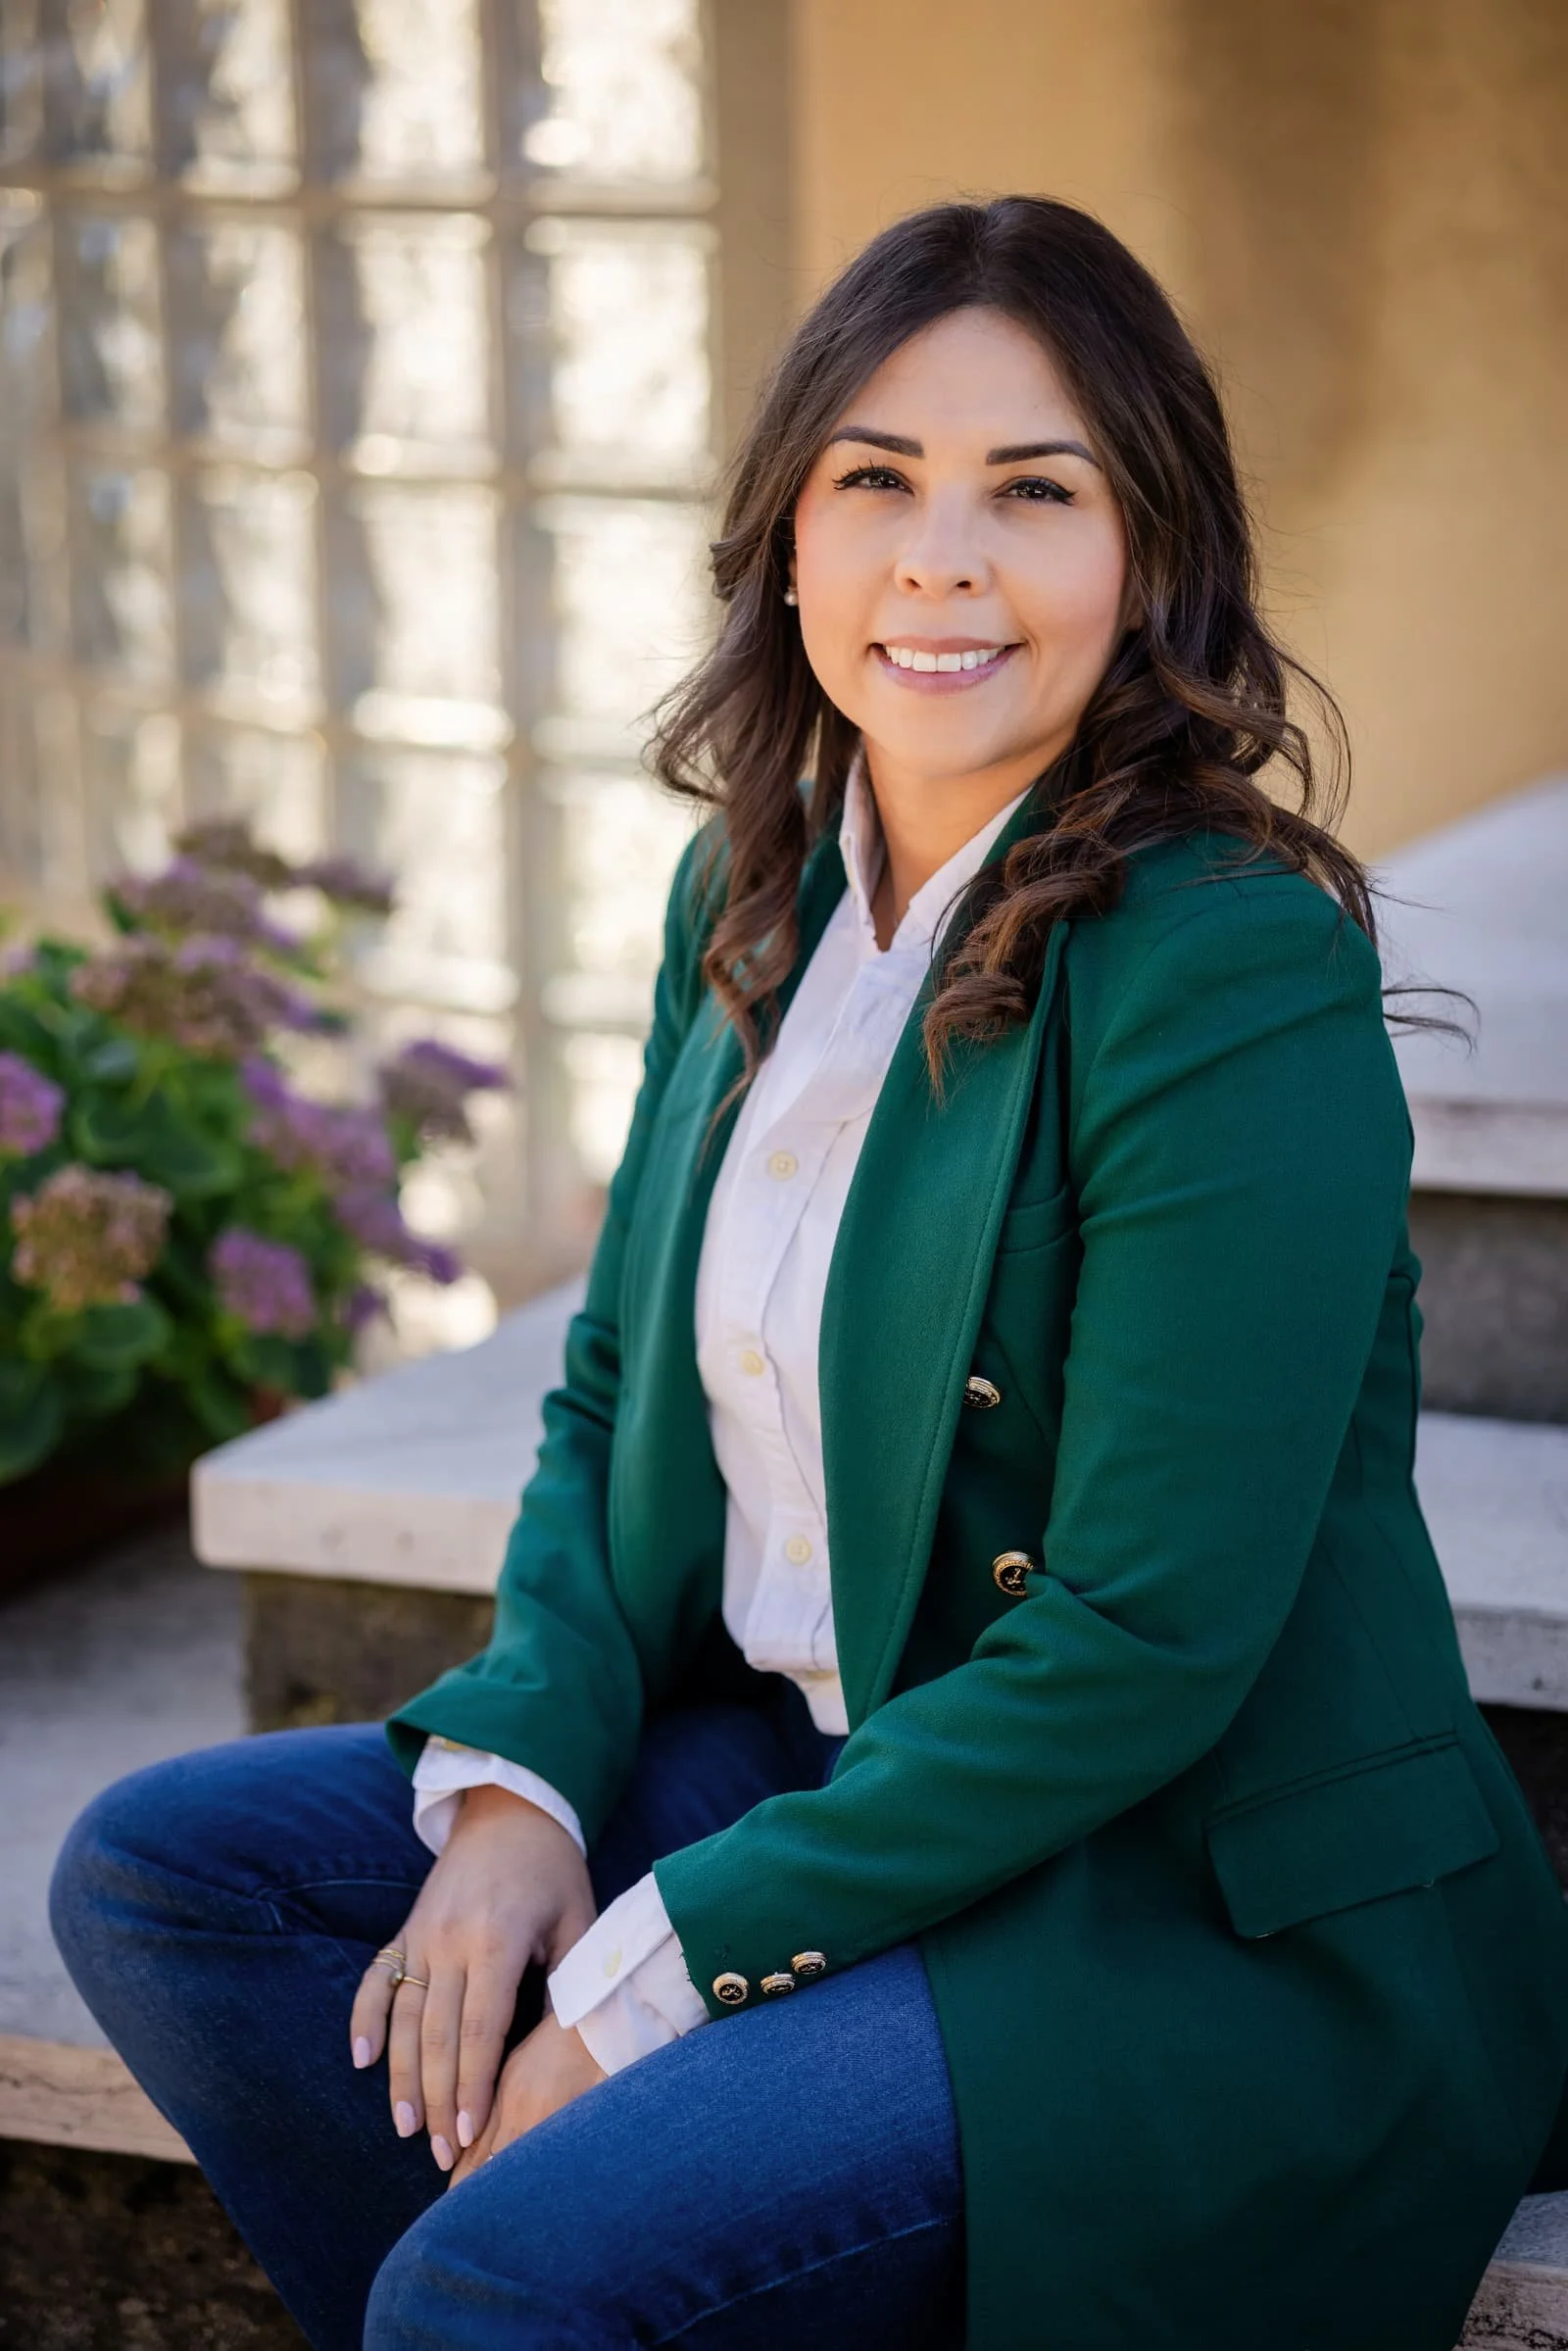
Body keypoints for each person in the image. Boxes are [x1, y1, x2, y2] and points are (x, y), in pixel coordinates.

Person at [51, 195, 1568, 2351]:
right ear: (786, 539)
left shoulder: (1226, 967)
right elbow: (605, 1406)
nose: (938, 560)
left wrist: (643, 1967)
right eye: (876, 480)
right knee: (176, 1877)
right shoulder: (746, 892)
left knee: (501, 2274)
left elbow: (1137, 1641)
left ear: (1144, 557)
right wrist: (515, 1796)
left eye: (1031, 492)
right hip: (828, 1751)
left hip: (1172, 1891)